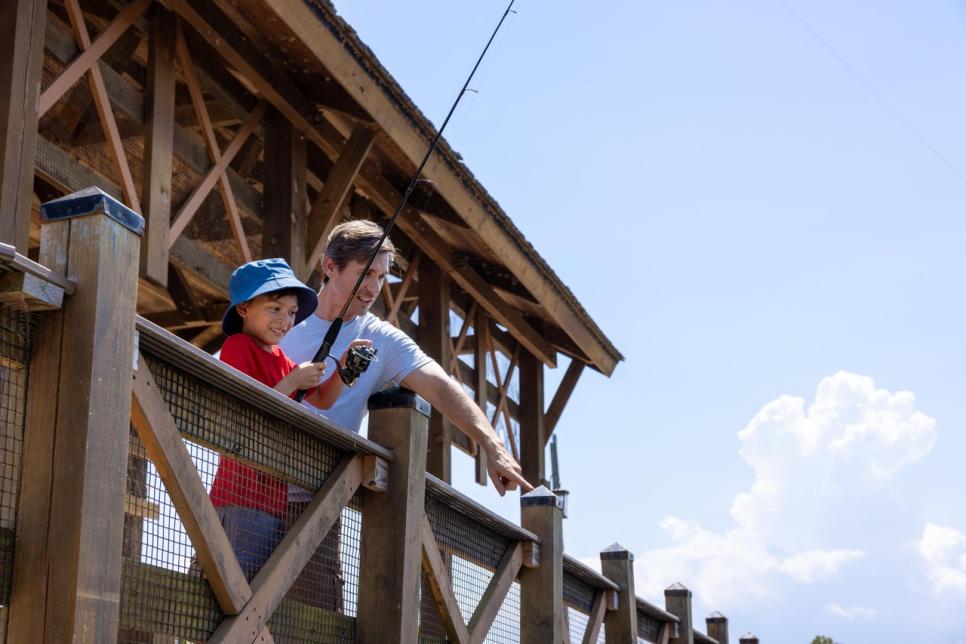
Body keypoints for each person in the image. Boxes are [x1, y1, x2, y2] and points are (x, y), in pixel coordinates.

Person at [280, 220, 532, 496]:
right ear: (330, 267)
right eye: (366, 273)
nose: (374, 287)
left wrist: (493, 446)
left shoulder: (383, 338)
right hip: (252, 487)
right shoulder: (280, 319)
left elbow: (441, 387)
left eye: (382, 276)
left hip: (319, 500)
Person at [209, 257, 369, 579]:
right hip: (240, 500)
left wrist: (345, 369)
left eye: (292, 313)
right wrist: (294, 381)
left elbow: (322, 399)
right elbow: (250, 409)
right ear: (243, 309)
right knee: (228, 593)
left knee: (253, 597)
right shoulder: (238, 346)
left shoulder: (283, 360)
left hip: (274, 505)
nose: (285, 321)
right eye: (275, 309)